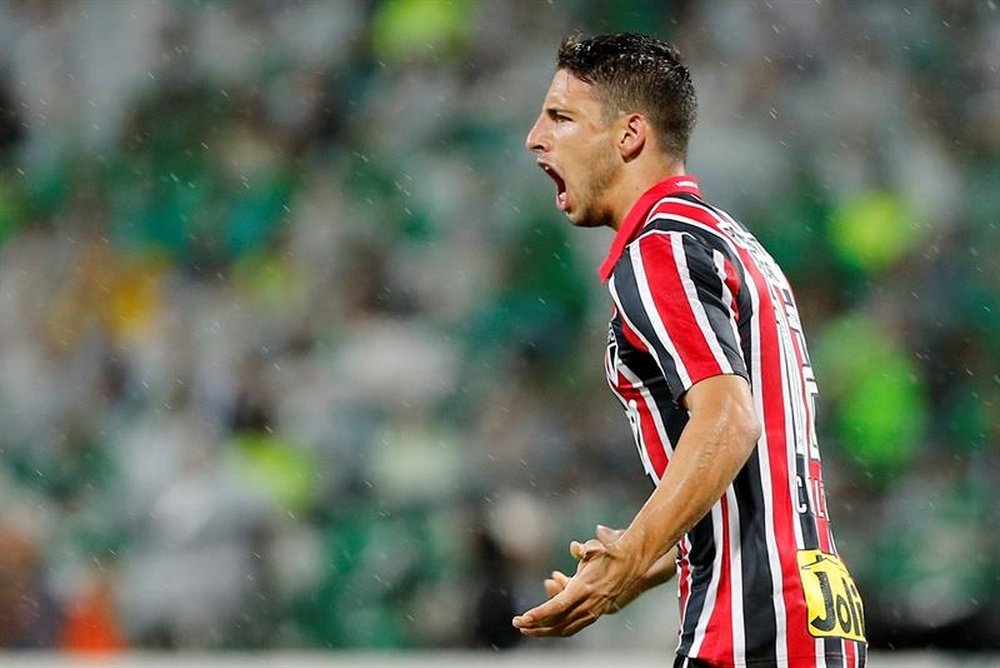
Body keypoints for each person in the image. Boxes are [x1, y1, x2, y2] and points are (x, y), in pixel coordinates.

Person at [512, 33, 867, 668]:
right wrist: (639, 560)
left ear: (629, 136)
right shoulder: (733, 242)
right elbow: (759, 473)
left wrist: (630, 559)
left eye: (561, 117)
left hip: (753, 629)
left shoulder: (661, 249)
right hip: (813, 614)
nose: (536, 138)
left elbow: (731, 420)